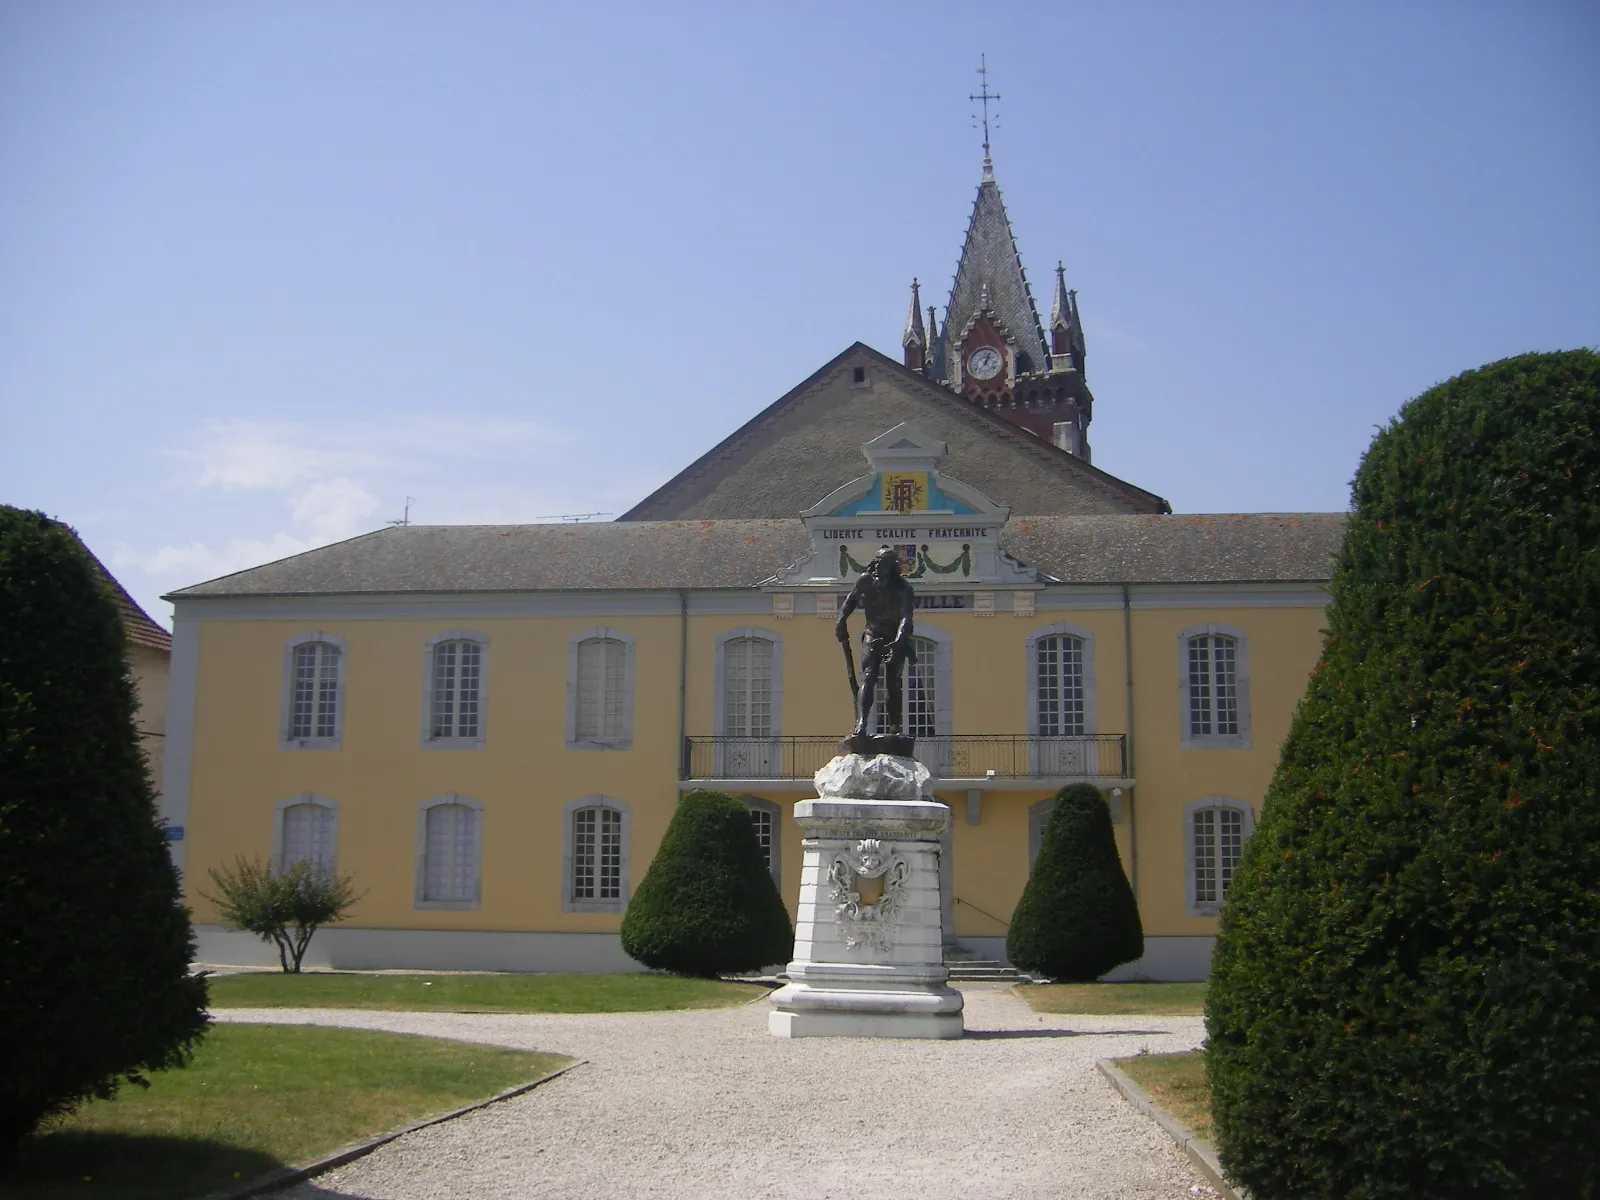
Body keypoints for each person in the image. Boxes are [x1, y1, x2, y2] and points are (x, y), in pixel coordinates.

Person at [836, 546, 916, 737]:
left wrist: (898, 642)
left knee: (893, 683)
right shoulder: (865, 581)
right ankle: (862, 723)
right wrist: (841, 621)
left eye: (884, 564)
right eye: (877, 563)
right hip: (872, 634)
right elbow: (849, 602)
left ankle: (895, 726)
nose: (879, 567)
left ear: (892, 567)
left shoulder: (904, 589)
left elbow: (906, 617)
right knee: (869, 676)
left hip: (894, 637)